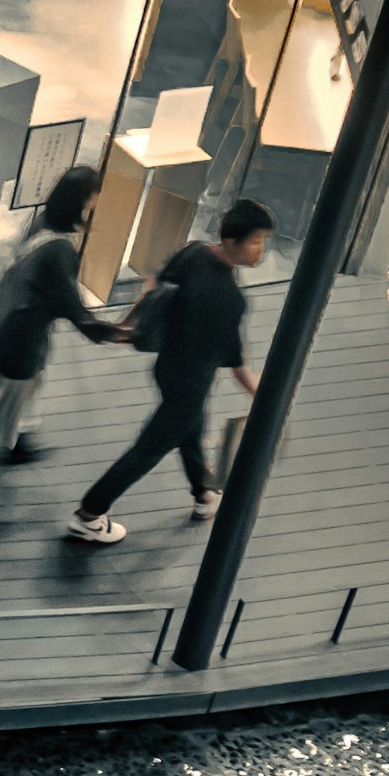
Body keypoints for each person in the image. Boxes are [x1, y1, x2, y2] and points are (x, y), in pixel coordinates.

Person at [65, 198, 273, 546]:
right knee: (149, 448)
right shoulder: (229, 298)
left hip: (166, 369)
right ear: (233, 242)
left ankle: (204, 494)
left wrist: (126, 327)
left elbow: (154, 291)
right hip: (191, 382)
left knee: (191, 429)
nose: (261, 250)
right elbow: (236, 362)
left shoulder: (194, 253)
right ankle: (88, 514)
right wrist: (263, 397)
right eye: (256, 241)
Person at [0, 164, 120, 484]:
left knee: (23, 389)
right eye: (94, 195)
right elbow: (69, 302)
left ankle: (22, 439)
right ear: (84, 199)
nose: (96, 202)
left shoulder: (41, 224)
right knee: (1, 401)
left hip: (7, 326)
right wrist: (106, 330)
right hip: (20, 338)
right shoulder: (59, 248)